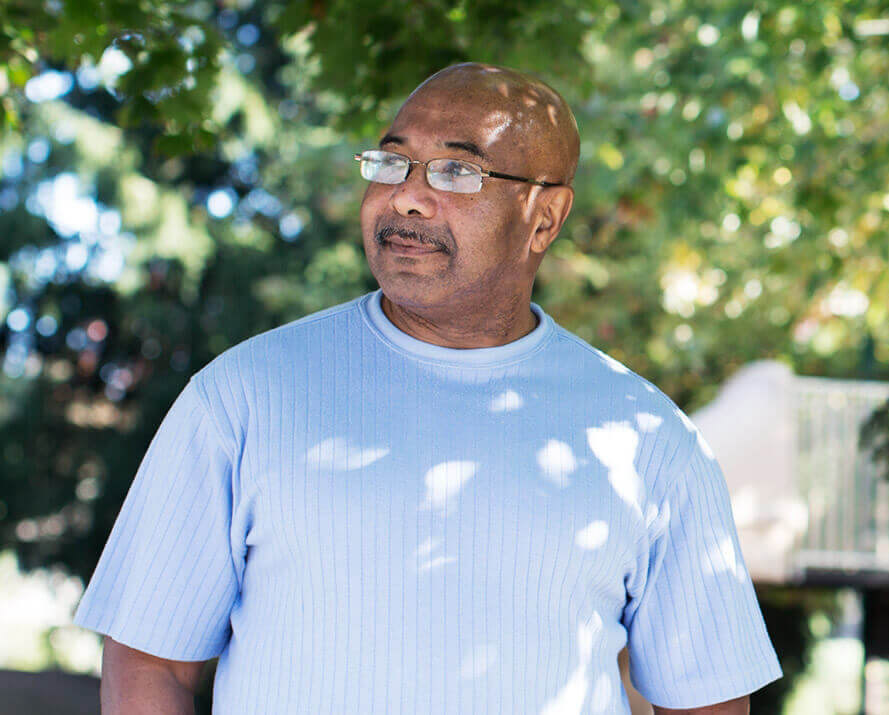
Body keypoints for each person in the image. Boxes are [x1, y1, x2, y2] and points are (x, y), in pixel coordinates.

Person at [75, 63, 781, 714]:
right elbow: (149, 663)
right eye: (392, 161)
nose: (406, 196)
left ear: (545, 217)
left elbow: (707, 701)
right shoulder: (241, 398)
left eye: (455, 171)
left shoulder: (648, 440)